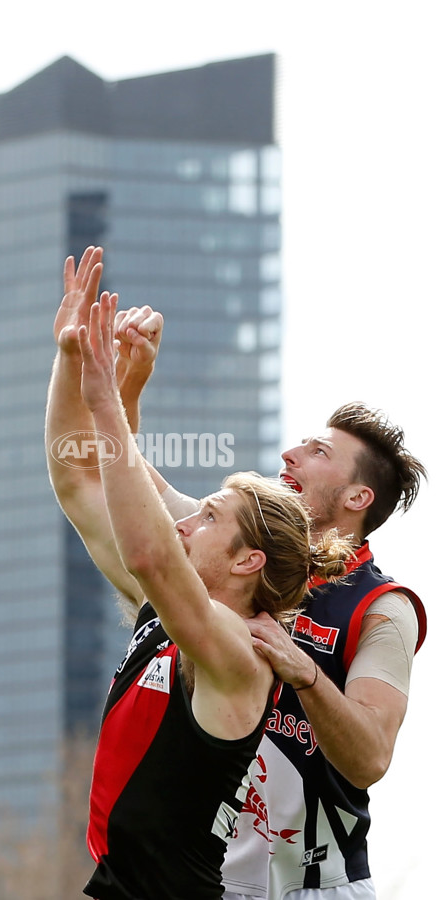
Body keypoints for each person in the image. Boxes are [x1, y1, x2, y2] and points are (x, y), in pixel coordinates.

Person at [44, 247, 352, 900]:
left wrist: (108, 401)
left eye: (208, 517)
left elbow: (152, 552)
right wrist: (72, 359)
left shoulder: (239, 653)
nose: (185, 522)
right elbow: (77, 478)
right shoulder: (168, 618)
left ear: (248, 561)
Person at [114, 298, 428, 899]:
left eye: (317, 450)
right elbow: (128, 486)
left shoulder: (384, 607)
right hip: (209, 881)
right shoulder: (228, 541)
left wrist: (304, 672)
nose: (290, 454)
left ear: (359, 497)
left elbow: (371, 759)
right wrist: (129, 383)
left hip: (314, 886)